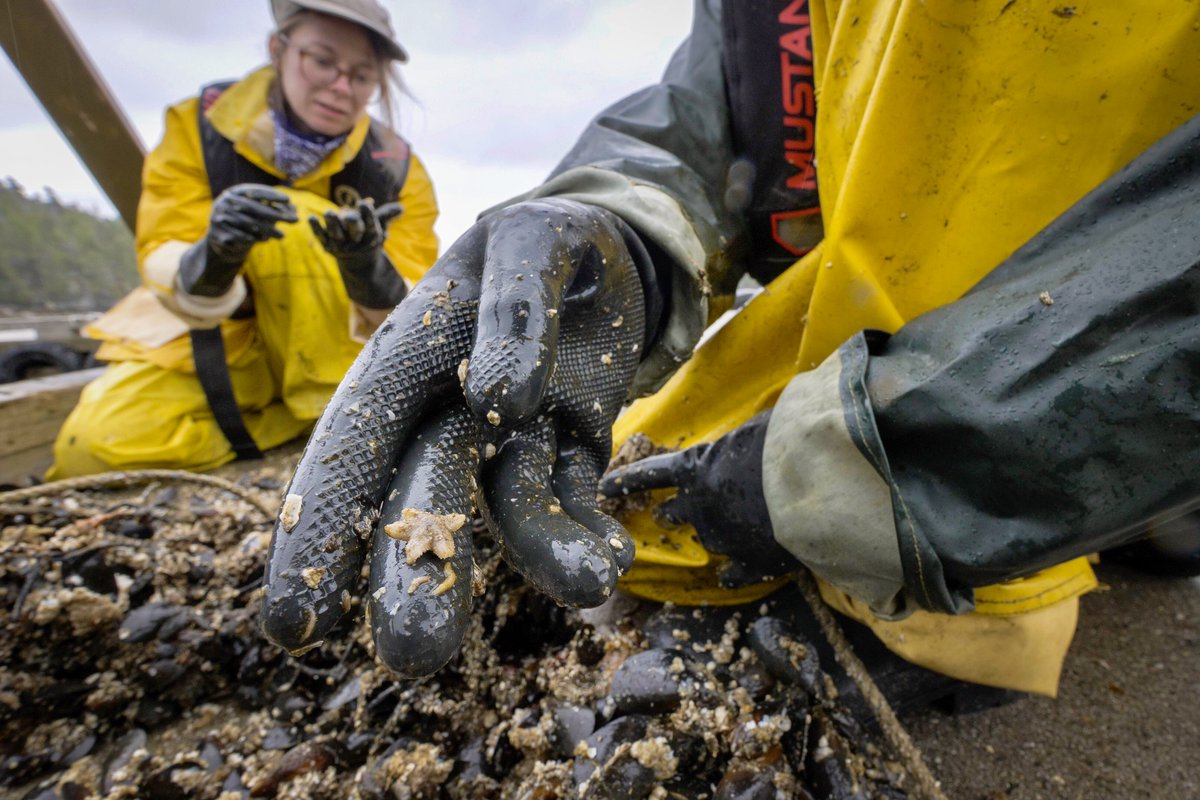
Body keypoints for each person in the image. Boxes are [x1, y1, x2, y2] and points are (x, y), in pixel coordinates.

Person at [259, 0, 1200, 695]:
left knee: (1115, 557)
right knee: (637, 494)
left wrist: (878, 472)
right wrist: (620, 226)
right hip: (836, 352)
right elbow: (701, 115)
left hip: (1038, 382)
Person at [48, 0, 438, 479]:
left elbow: (417, 307)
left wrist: (366, 268)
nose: (340, 87)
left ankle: (317, 417)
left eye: (360, 76)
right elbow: (164, 245)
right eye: (322, 61)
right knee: (91, 447)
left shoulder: (396, 168)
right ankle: (295, 431)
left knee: (299, 216)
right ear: (279, 49)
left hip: (337, 368)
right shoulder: (198, 126)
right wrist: (215, 254)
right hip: (223, 352)